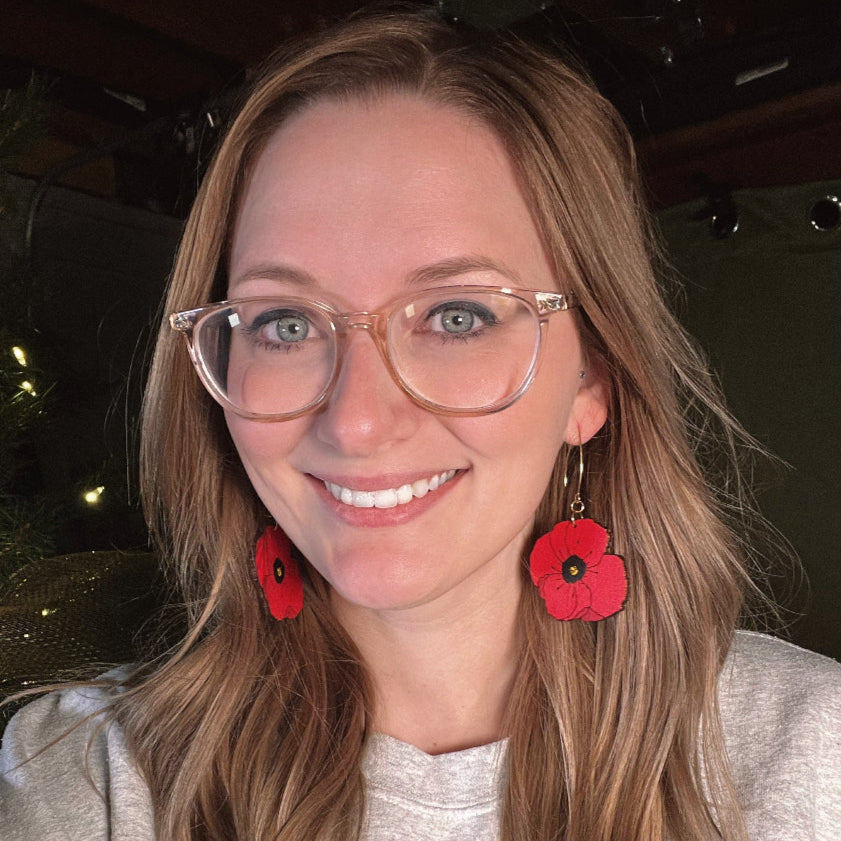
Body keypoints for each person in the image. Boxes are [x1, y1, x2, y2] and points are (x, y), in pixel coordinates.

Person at [2, 8, 840, 841]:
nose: (357, 422)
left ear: (591, 377)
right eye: (285, 323)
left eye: (456, 315)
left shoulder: (807, 750)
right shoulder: (90, 776)